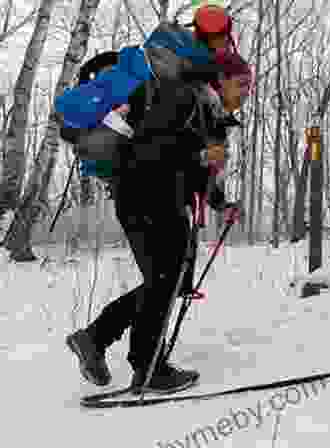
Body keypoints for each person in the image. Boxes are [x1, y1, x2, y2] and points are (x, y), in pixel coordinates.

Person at [66, 8, 239, 395]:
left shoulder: (155, 83)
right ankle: (129, 355)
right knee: (168, 281)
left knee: (161, 282)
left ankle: (119, 349)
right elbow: (203, 160)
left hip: (130, 193)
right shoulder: (200, 96)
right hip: (161, 193)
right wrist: (219, 199)